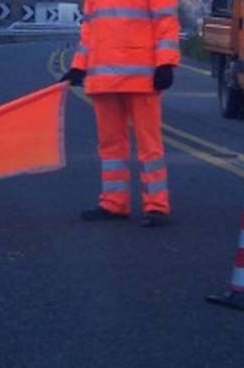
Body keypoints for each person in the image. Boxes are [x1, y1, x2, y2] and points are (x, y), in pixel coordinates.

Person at [61, 0, 180, 227]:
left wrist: (165, 63)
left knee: (148, 145)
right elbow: (89, 31)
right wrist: (79, 66)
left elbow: (165, 22)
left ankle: (156, 205)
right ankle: (114, 203)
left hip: (140, 78)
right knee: (111, 146)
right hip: (105, 78)